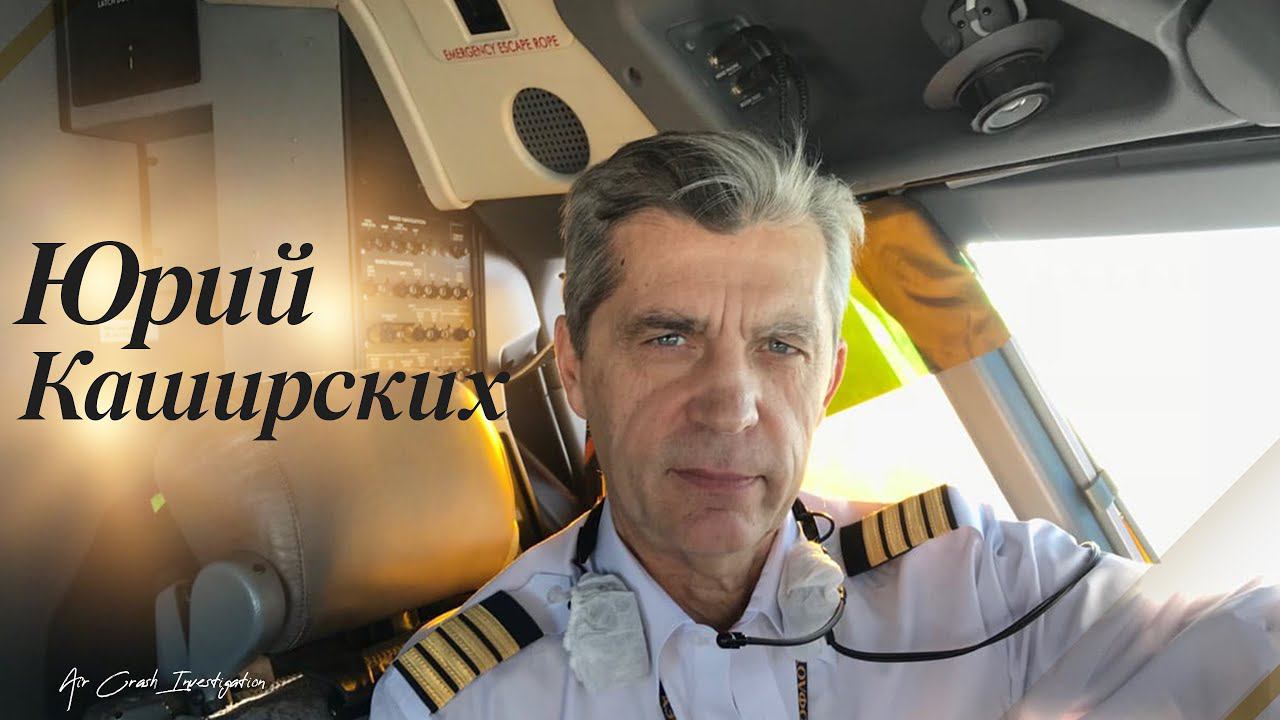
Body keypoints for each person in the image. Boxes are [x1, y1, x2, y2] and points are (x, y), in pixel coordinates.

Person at [370, 131, 1279, 719]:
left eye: (780, 346)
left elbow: (1243, 642)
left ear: (828, 380)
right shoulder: (461, 697)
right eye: (669, 337)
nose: (731, 405)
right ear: (573, 365)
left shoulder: (981, 581)